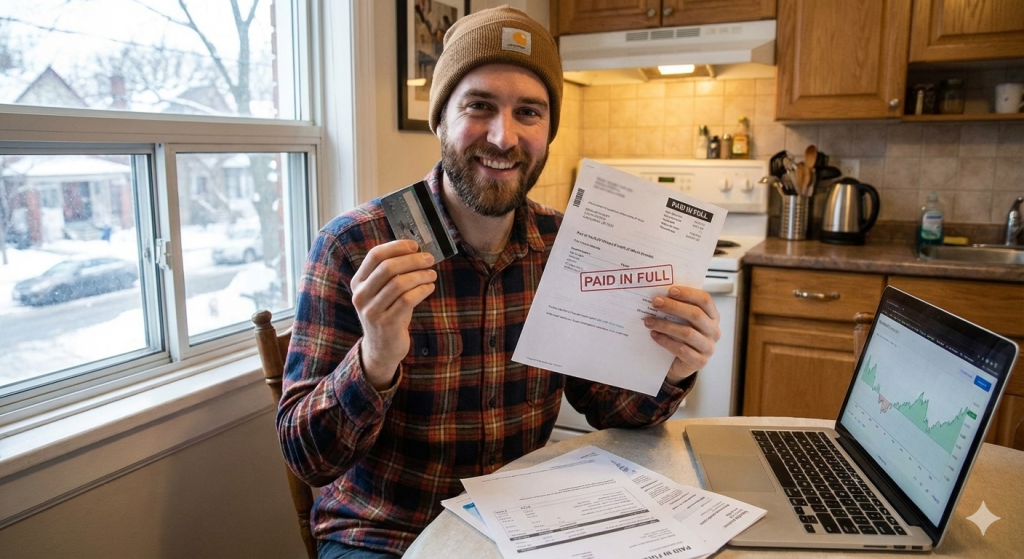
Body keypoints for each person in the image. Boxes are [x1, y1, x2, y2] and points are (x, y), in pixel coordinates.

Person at [277, 6, 722, 559]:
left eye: (528, 113)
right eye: (479, 106)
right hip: (385, 534)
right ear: (439, 119)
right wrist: (376, 358)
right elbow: (308, 458)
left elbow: (609, 409)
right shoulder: (354, 246)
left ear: (548, 132)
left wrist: (672, 369)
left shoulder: (567, 246)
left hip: (524, 525)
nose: (502, 135)